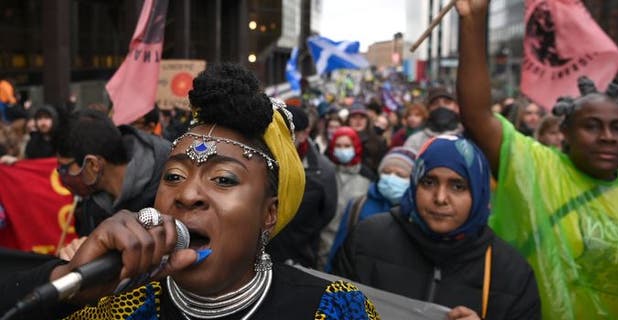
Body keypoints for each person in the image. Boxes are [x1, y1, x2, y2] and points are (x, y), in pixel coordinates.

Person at [0, 63, 379, 320]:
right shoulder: (120, 308)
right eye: (174, 176)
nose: (187, 195)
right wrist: (68, 279)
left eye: (224, 179)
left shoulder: (334, 309)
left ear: (270, 212)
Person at [455, 0, 618, 318]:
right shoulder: (536, 169)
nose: (607, 136)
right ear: (564, 133)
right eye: (592, 126)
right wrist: (474, 20)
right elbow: (477, 115)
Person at [333, 135, 540, 319]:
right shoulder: (368, 240)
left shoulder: (511, 274)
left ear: (479, 193)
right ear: (414, 185)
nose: (440, 198)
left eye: (457, 186)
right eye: (429, 182)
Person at [56, 109, 171, 236]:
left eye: (64, 167)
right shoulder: (93, 205)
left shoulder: (171, 179)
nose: (63, 175)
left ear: (93, 164)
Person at [325, 147, 415, 272]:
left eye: (400, 175)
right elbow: (339, 249)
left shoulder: (416, 214)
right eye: (386, 172)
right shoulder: (358, 204)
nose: (391, 178)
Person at [268, 106, 338, 268]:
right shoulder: (263, 159)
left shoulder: (322, 170)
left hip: (300, 257)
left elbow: (327, 214)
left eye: (288, 133)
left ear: (304, 134)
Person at [317, 126, 372, 270]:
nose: (343, 150)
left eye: (347, 146)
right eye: (339, 146)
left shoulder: (366, 176)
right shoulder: (325, 172)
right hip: (322, 242)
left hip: (350, 243)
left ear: (356, 147)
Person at [404, 87, 464, 152]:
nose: (441, 106)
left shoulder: (469, 137)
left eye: (447, 102)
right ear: (428, 110)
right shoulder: (415, 141)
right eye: (435, 103)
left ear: (456, 107)